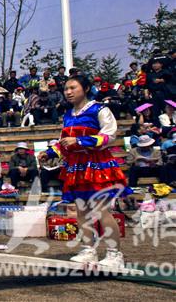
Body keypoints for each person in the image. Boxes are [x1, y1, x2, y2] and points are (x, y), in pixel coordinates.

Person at [39, 74, 131, 270]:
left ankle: (115, 254)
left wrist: (80, 141)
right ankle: (88, 250)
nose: (69, 92)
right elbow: (64, 141)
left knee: (101, 209)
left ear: (86, 89)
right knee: (81, 210)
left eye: (73, 88)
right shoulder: (68, 115)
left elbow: (109, 136)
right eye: (66, 89)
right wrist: (49, 153)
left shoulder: (100, 109)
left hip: (96, 163)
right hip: (76, 165)